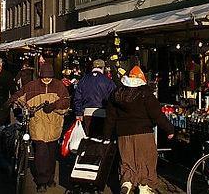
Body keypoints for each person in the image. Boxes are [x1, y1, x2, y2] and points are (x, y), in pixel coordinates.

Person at [105, 65, 174, 194]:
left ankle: (127, 181)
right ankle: (145, 185)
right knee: (147, 159)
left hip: (123, 134)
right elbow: (157, 115)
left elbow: (110, 117)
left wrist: (107, 135)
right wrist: (169, 129)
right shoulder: (145, 94)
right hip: (143, 133)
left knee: (127, 160)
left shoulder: (116, 93)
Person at [8, 62, 70, 192]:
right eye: (44, 77)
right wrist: (9, 103)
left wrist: (54, 106)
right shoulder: (31, 86)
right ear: (40, 75)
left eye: (49, 77)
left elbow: (66, 101)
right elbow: (19, 96)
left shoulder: (59, 86)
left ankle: (50, 178)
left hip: (54, 125)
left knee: (52, 154)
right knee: (41, 153)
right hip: (37, 125)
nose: (47, 79)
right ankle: (42, 181)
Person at [73, 58, 116, 137]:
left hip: (87, 113)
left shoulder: (83, 80)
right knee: (100, 138)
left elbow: (77, 98)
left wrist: (79, 113)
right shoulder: (108, 81)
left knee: (89, 137)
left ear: (93, 67)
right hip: (103, 113)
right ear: (103, 68)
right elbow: (113, 98)